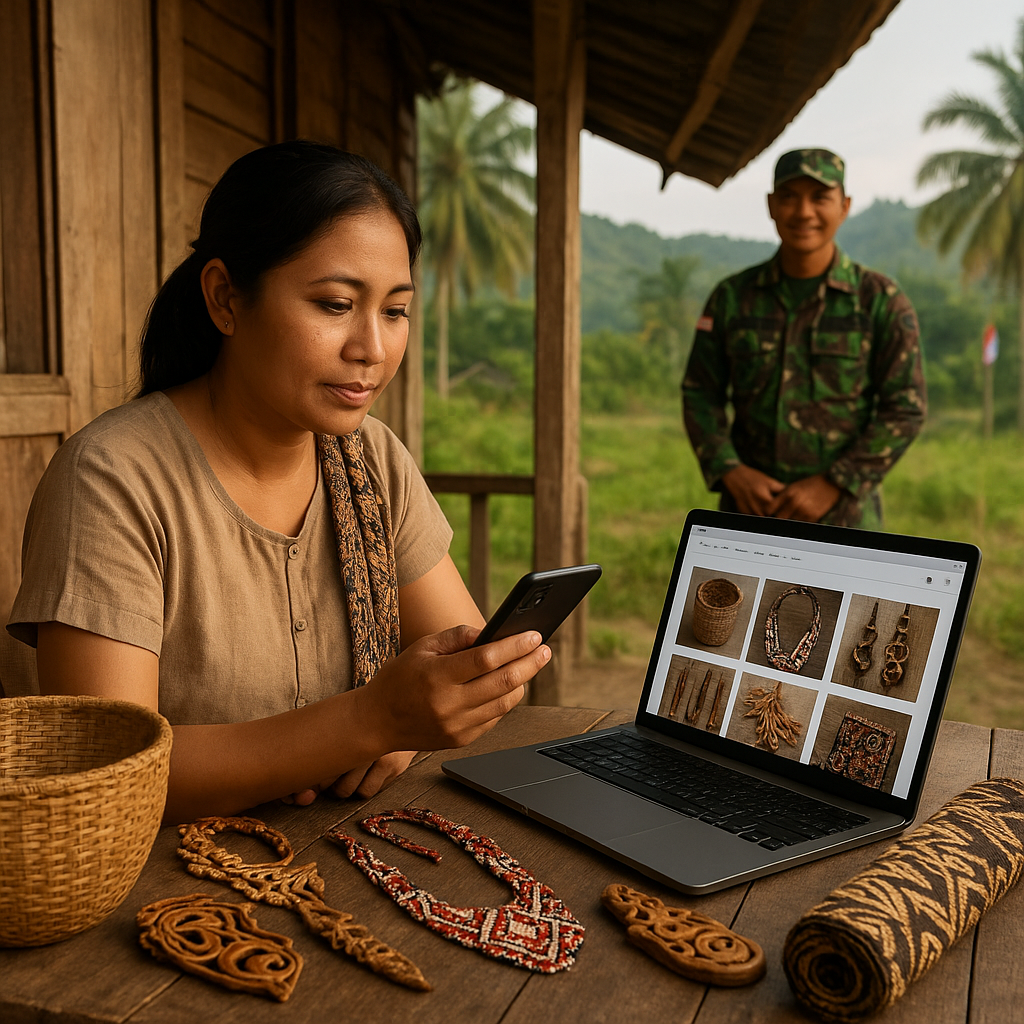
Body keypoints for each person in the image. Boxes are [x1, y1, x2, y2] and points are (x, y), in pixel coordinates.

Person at [6, 141, 549, 822]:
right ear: (226, 299)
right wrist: (371, 724)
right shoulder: (113, 480)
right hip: (163, 895)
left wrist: (416, 724)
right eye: (333, 304)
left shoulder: (371, 463)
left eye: (395, 310)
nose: (372, 349)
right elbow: (108, 775)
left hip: (342, 864)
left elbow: (470, 671)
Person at [682, 148, 925, 529]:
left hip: (844, 519)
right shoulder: (733, 297)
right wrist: (728, 468)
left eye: (820, 198)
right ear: (771, 205)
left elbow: (905, 408)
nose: (804, 212)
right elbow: (700, 391)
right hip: (748, 514)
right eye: (789, 197)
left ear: (844, 207)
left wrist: (835, 482)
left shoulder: (879, 300)